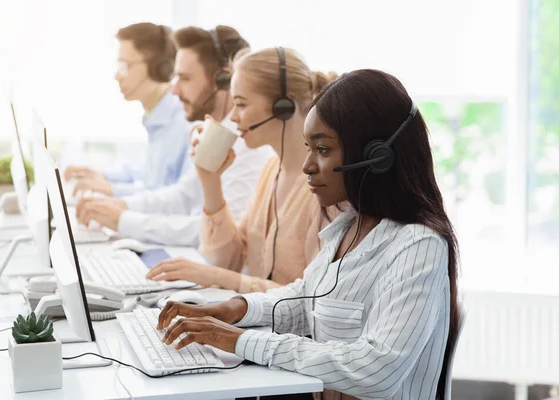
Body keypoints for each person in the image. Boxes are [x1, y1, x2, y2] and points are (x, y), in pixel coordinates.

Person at [155, 70, 460, 400]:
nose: (308, 166)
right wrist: (235, 309)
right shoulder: (349, 226)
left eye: (323, 150)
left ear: (377, 158)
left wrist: (240, 341)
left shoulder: (418, 245)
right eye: (309, 148)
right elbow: (307, 301)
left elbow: (376, 370)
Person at [146, 48, 337, 293]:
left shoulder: (323, 189)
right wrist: (210, 180)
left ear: (283, 107)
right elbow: (230, 261)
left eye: (241, 104)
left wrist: (218, 276)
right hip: (255, 322)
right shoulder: (271, 171)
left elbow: (308, 297)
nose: (233, 117)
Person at [75, 26, 271, 247]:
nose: (174, 90)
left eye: (185, 79)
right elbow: (182, 196)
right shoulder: (217, 132)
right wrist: (121, 207)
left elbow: (222, 233)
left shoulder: (247, 143)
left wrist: (124, 219)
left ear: (223, 80)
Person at [64, 23, 191, 197]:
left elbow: (166, 195)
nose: (117, 76)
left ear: (158, 68)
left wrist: (111, 189)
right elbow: (150, 175)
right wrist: (103, 176)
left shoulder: (182, 122)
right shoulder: (157, 116)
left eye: (125, 65)